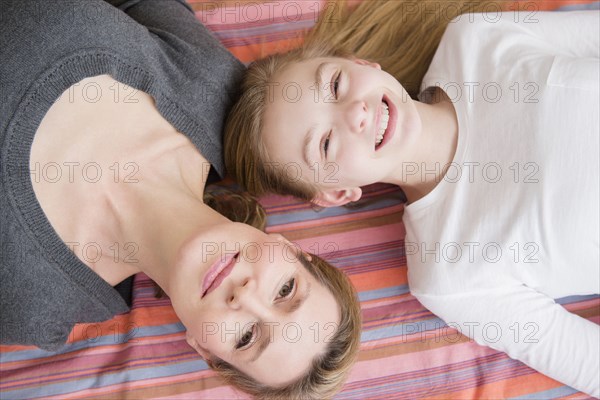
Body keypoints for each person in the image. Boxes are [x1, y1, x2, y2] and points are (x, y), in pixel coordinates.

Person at [223, 0, 600, 397]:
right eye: (326, 144)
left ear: (362, 63)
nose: (356, 113)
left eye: (334, 84)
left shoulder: (474, 38)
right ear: (337, 192)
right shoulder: (448, 273)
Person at [0, 1, 361, 398]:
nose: (245, 296)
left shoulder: (33, 307)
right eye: (284, 290)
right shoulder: (214, 89)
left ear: (205, 349)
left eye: (245, 337)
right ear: (289, 250)